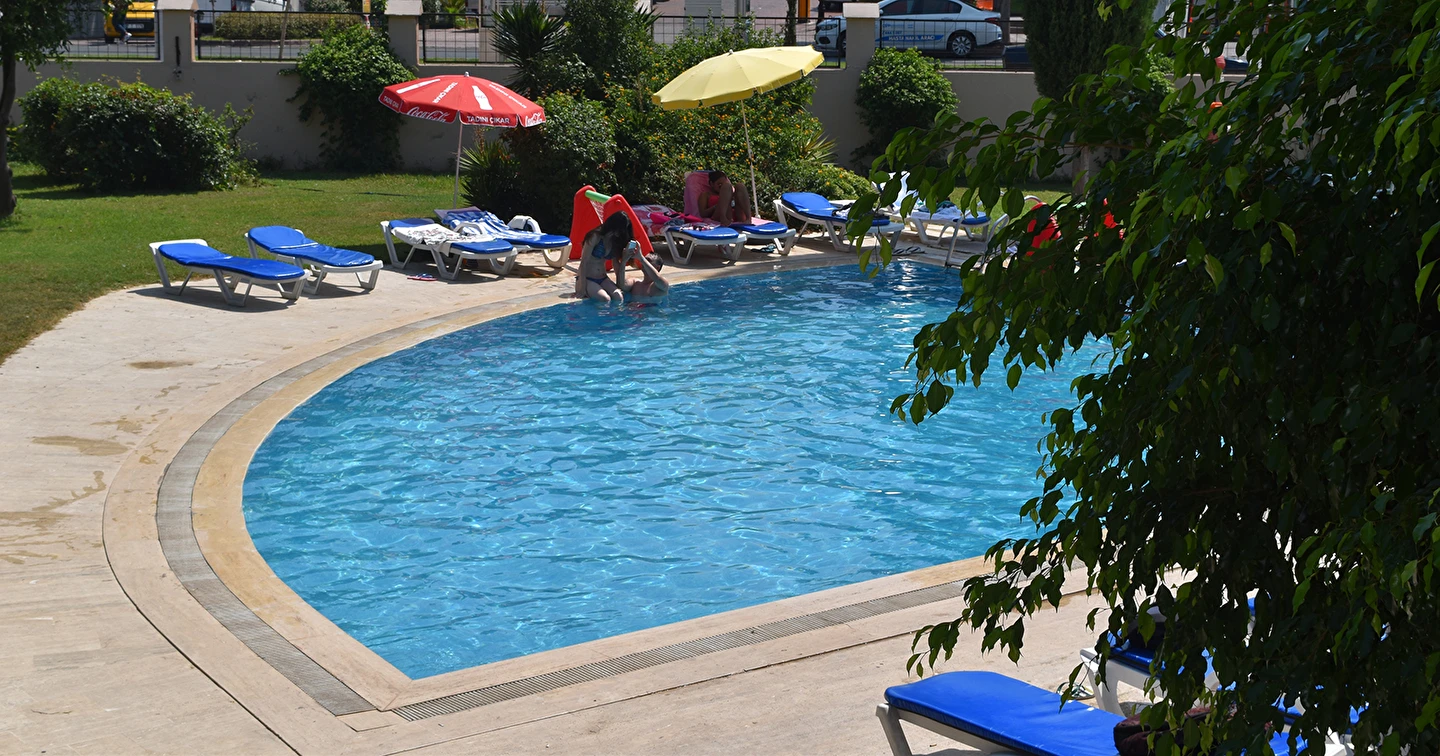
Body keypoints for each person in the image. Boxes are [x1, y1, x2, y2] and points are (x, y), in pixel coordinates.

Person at [574, 211, 633, 304]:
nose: (620, 233)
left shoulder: (614, 241)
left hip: (603, 278)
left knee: (619, 297)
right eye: (620, 230)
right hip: (587, 278)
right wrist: (582, 288)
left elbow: (615, 264)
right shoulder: (595, 236)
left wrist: (620, 284)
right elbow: (584, 262)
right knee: (605, 299)